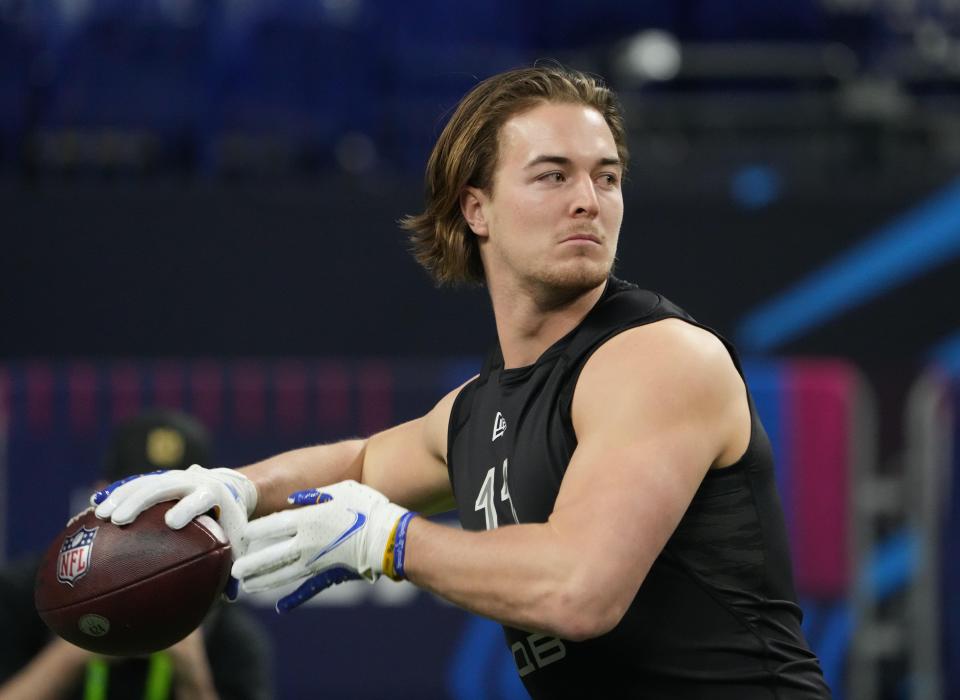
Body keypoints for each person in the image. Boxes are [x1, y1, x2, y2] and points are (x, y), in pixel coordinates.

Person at [92, 65, 832, 698]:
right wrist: (235, 489)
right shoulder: (477, 412)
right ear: (475, 207)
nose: (589, 199)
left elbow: (578, 589)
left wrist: (388, 541)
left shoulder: (661, 358)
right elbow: (360, 464)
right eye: (553, 175)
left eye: (607, 177)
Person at [0, 409, 273, 700]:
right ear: (100, 495)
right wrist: (71, 652)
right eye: (137, 497)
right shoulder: (32, 593)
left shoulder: (226, 631)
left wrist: (193, 678)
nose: (152, 516)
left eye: (173, 503)